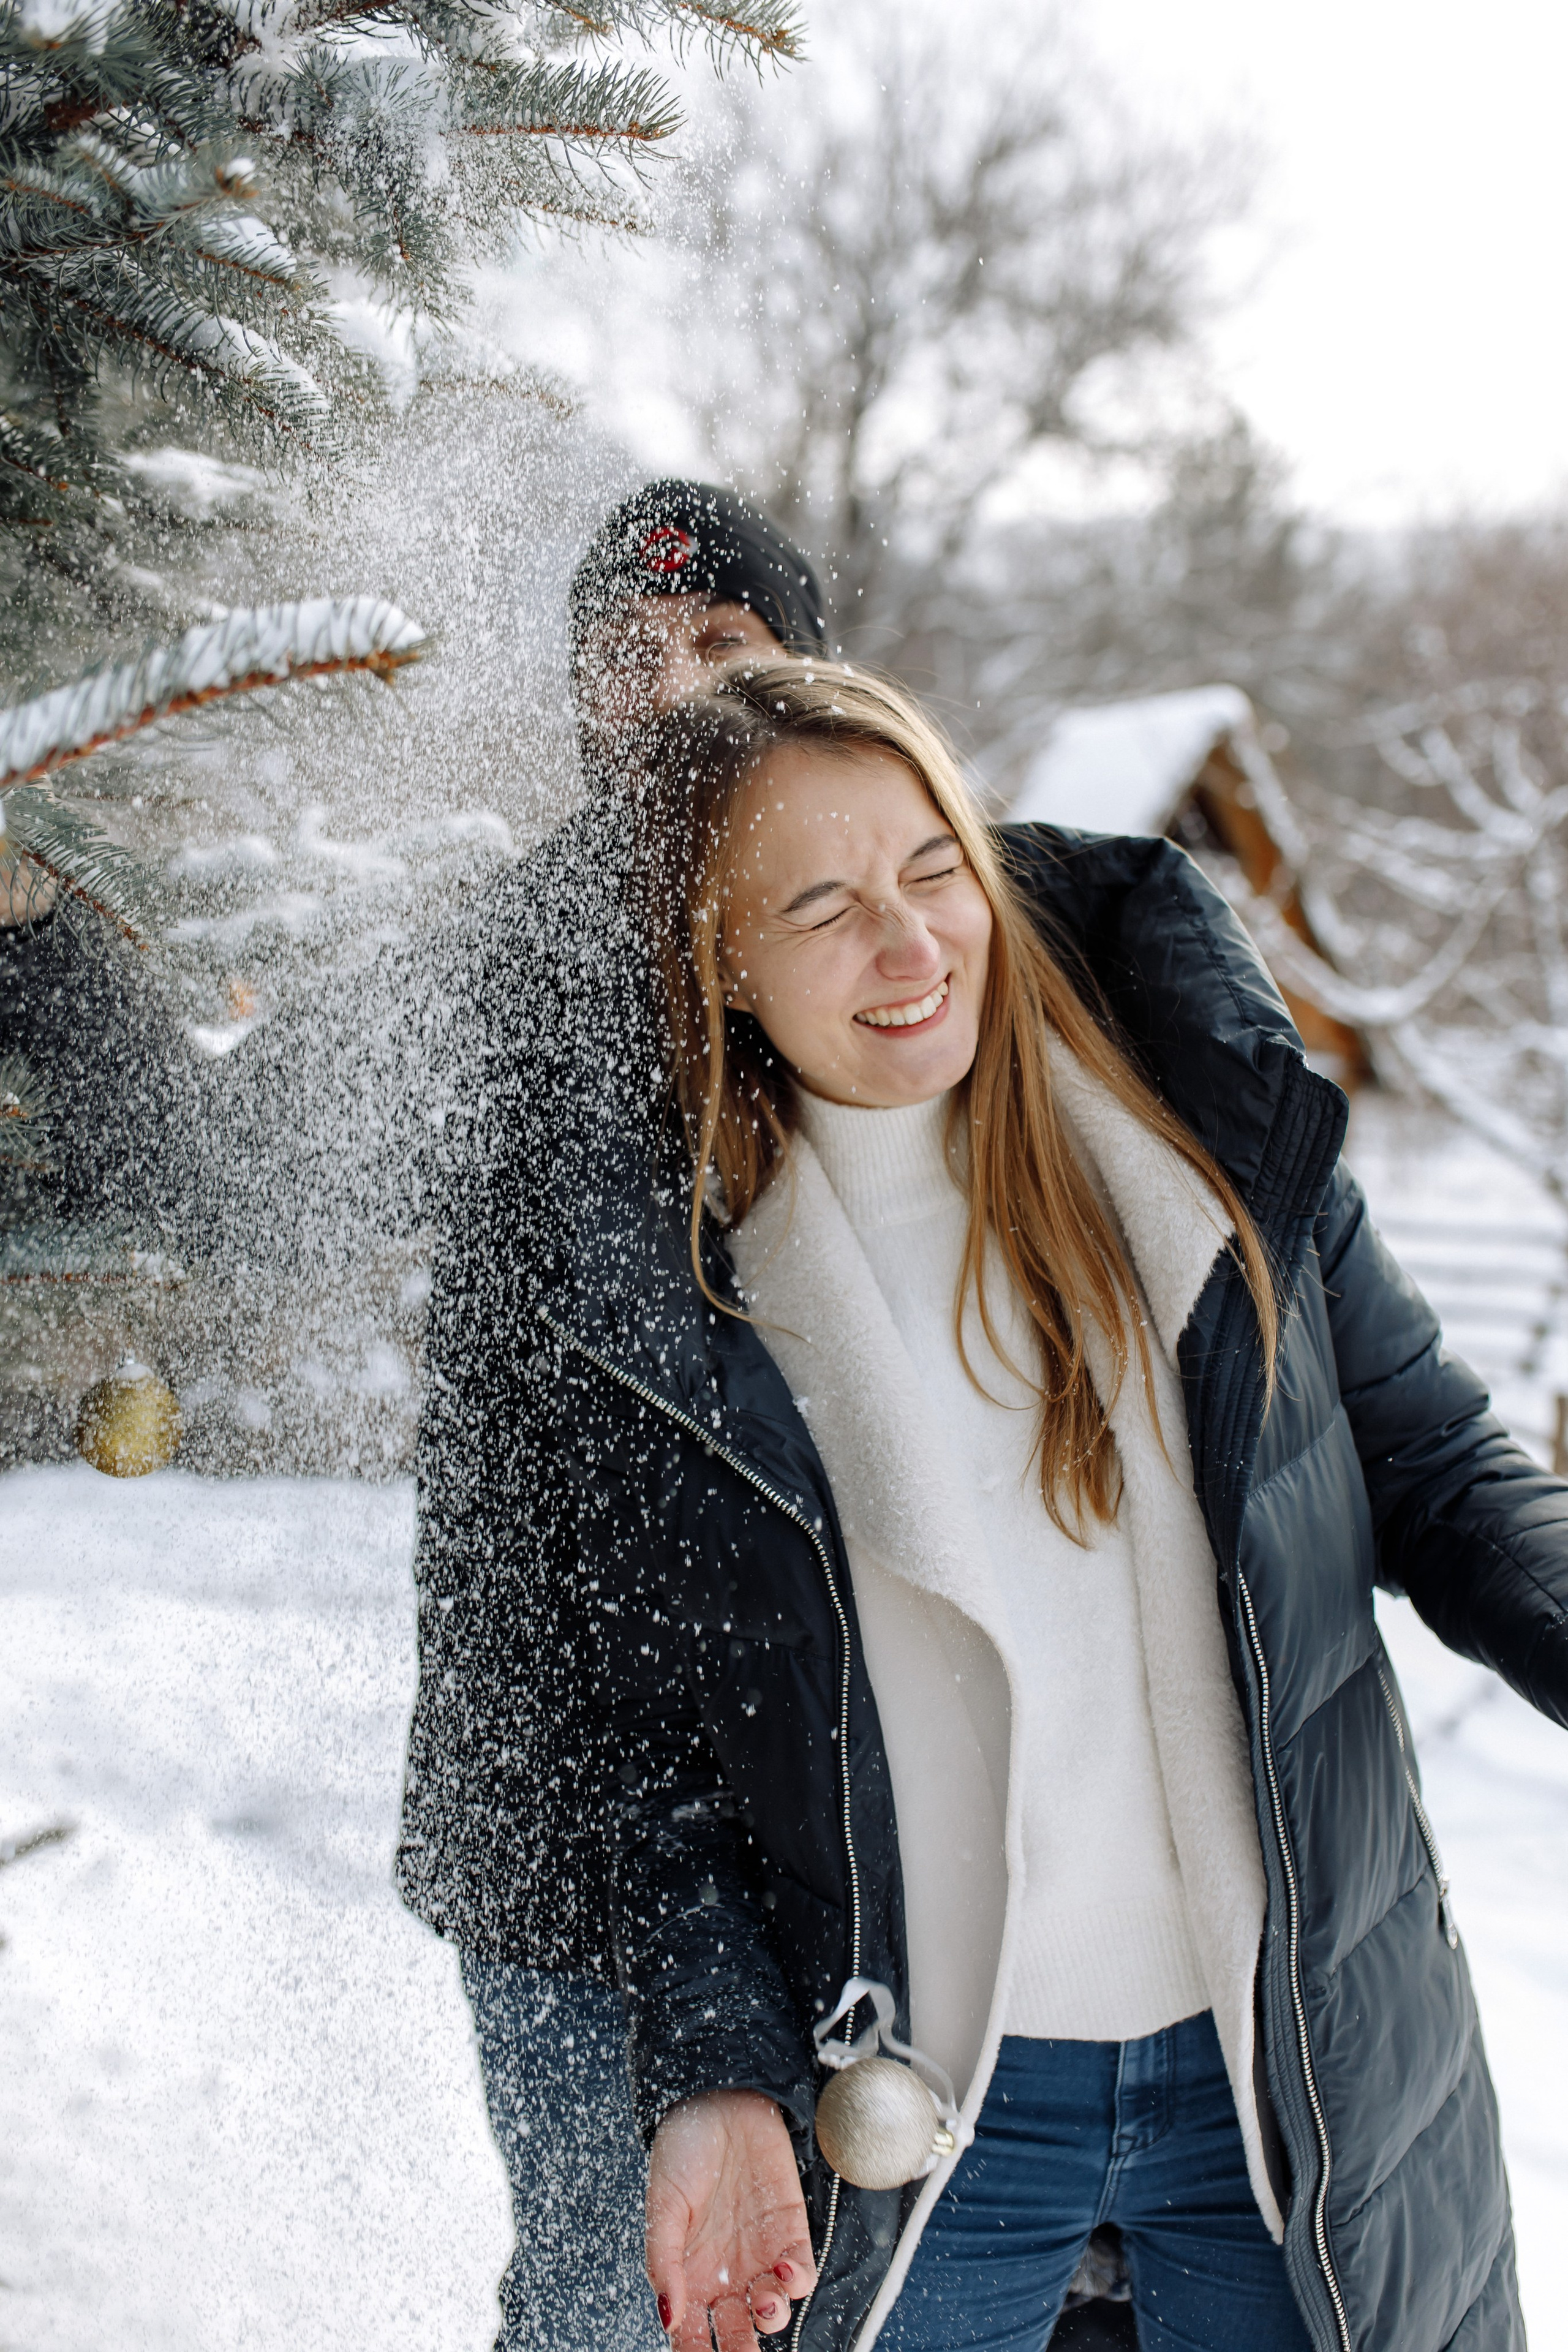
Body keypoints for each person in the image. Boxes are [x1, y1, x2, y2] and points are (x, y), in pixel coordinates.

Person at [483, 652, 1552, 2352]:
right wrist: (707, 2070)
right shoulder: (663, 1299)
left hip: (1283, 2091)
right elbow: (634, 1746)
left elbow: (1434, 1467)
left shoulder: (1205, 1143)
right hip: (918, 2135)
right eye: (823, 909)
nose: (910, 949)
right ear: (724, 965)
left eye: (932, 872)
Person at [396, 482, 829, 2352]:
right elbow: (235, 1110)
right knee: (608, 2304)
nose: (669, 692)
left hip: (836, 1810)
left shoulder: (882, 951)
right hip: (562, 1817)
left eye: (722, 646)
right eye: (623, 659)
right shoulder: (506, 961)